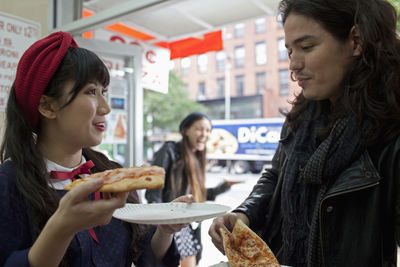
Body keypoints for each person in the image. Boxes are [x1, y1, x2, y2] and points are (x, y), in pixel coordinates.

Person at [208, 0, 400, 266]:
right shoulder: (300, 116)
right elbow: (275, 175)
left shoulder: (390, 127)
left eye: (307, 47)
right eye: (289, 51)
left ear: (356, 41)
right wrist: (245, 213)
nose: (294, 64)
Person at [0, 31, 190, 267]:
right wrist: (62, 227)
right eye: (91, 91)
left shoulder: (111, 174)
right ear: (47, 106)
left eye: (105, 92)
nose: (105, 107)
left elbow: (142, 253)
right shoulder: (8, 185)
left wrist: (164, 229)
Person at [145, 112, 237, 267]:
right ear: (185, 130)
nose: (205, 134)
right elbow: (153, 193)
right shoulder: (169, 151)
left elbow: (197, 195)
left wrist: (225, 186)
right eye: (200, 129)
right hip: (170, 223)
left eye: (208, 130)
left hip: (187, 224)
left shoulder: (197, 157)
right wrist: (163, 224)